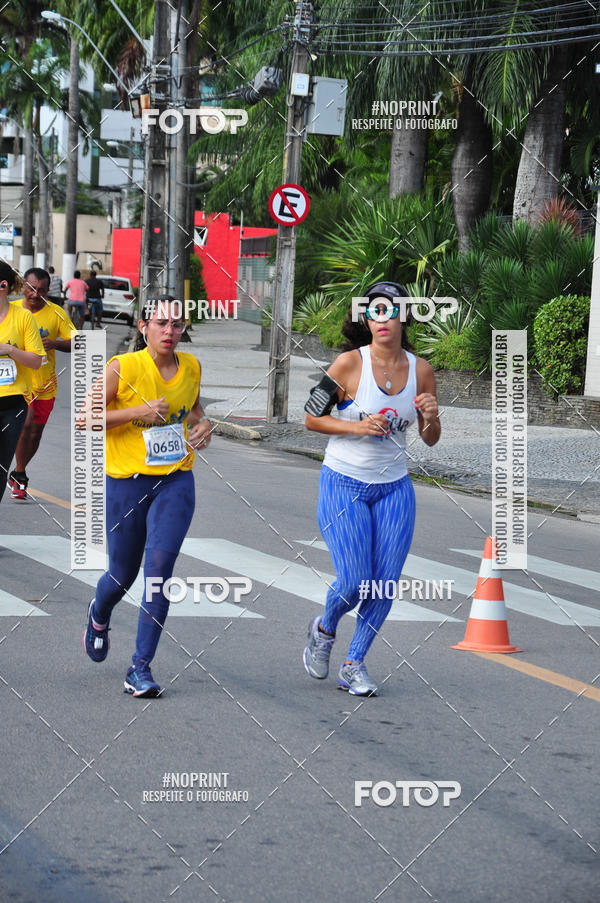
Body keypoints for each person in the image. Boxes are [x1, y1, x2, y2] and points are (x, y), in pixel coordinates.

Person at [302, 282, 441, 697]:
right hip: (343, 482)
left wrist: (432, 416)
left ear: (405, 317)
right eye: (374, 311)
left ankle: (354, 663)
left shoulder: (422, 371)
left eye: (391, 310)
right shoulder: (348, 365)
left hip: (394, 487)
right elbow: (311, 418)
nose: (383, 318)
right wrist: (356, 425)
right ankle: (325, 627)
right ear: (366, 318)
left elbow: (430, 438)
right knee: (355, 579)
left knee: (384, 583)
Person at [82, 297, 212, 697]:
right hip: (127, 482)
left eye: (176, 324)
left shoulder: (191, 367)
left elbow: (192, 409)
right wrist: (137, 410)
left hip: (175, 481)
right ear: (143, 327)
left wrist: (205, 424)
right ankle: (99, 613)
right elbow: (86, 417)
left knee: (158, 572)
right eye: (161, 324)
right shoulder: (123, 368)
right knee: (122, 575)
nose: (170, 331)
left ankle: (140, 667)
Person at [8, 267, 75, 499]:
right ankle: (18, 474)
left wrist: (54, 343)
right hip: (17, 382)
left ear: (48, 291)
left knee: (36, 433)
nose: (35, 294)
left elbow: (76, 342)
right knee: (25, 425)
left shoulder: (57, 313)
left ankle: (19, 470)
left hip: (46, 385)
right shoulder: (10, 309)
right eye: (31, 288)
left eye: (42, 291)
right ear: (23, 287)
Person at [0, 262, 45, 505]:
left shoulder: (23, 317)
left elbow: (36, 361)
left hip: (12, 405)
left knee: (0, 467)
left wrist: (8, 349)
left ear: (3, 285)